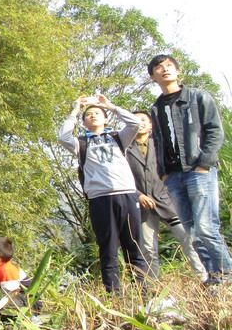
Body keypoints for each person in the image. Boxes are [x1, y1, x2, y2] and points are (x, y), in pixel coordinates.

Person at [148, 54, 232, 285]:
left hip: (198, 171)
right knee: (192, 233)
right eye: (158, 68)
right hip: (173, 176)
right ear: (153, 77)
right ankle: (214, 279)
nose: (164, 70)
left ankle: (226, 273)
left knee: (206, 228)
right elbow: (157, 141)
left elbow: (214, 131)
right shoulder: (156, 108)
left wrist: (204, 163)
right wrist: (163, 172)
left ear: (177, 71)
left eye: (168, 66)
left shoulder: (197, 97)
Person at [58, 95, 150, 292]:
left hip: (126, 194)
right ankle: (113, 295)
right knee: (107, 249)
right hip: (99, 199)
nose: (93, 116)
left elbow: (134, 123)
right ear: (83, 122)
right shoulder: (81, 143)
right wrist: (75, 110)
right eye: (88, 115)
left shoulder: (118, 137)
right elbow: (63, 137)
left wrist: (110, 106)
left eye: (97, 113)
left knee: (133, 246)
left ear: (106, 119)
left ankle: (143, 295)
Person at [125, 110, 207, 281]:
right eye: (135, 120)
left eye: (143, 120)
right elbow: (120, 178)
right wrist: (138, 195)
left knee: (188, 240)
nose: (139, 123)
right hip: (142, 206)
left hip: (168, 201)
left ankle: (204, 278)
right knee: (148, 248)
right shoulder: (124, 149)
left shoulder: (160, 145)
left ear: (150, 125)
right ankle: (154, 288)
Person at [0, 236, 32, 308]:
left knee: (5, 302)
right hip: (7, 294)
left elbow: (13, 293)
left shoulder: (7, 270)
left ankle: (24, 316)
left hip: (26, 301)